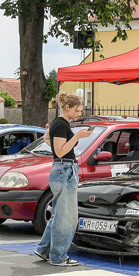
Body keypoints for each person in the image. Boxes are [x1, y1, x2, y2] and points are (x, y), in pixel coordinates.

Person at [34, 92, 93, 267]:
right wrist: (77, 137)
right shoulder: (61, 124)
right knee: (66, 218)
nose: (79, 114)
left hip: (62, 170)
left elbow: (47, 139)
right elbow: (60, 152)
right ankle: (58, 257)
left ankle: (44, 249)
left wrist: (54, 138)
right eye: (77, 110)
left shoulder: (58, 123)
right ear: (67, 107)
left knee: (59, 215)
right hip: (65, 169)